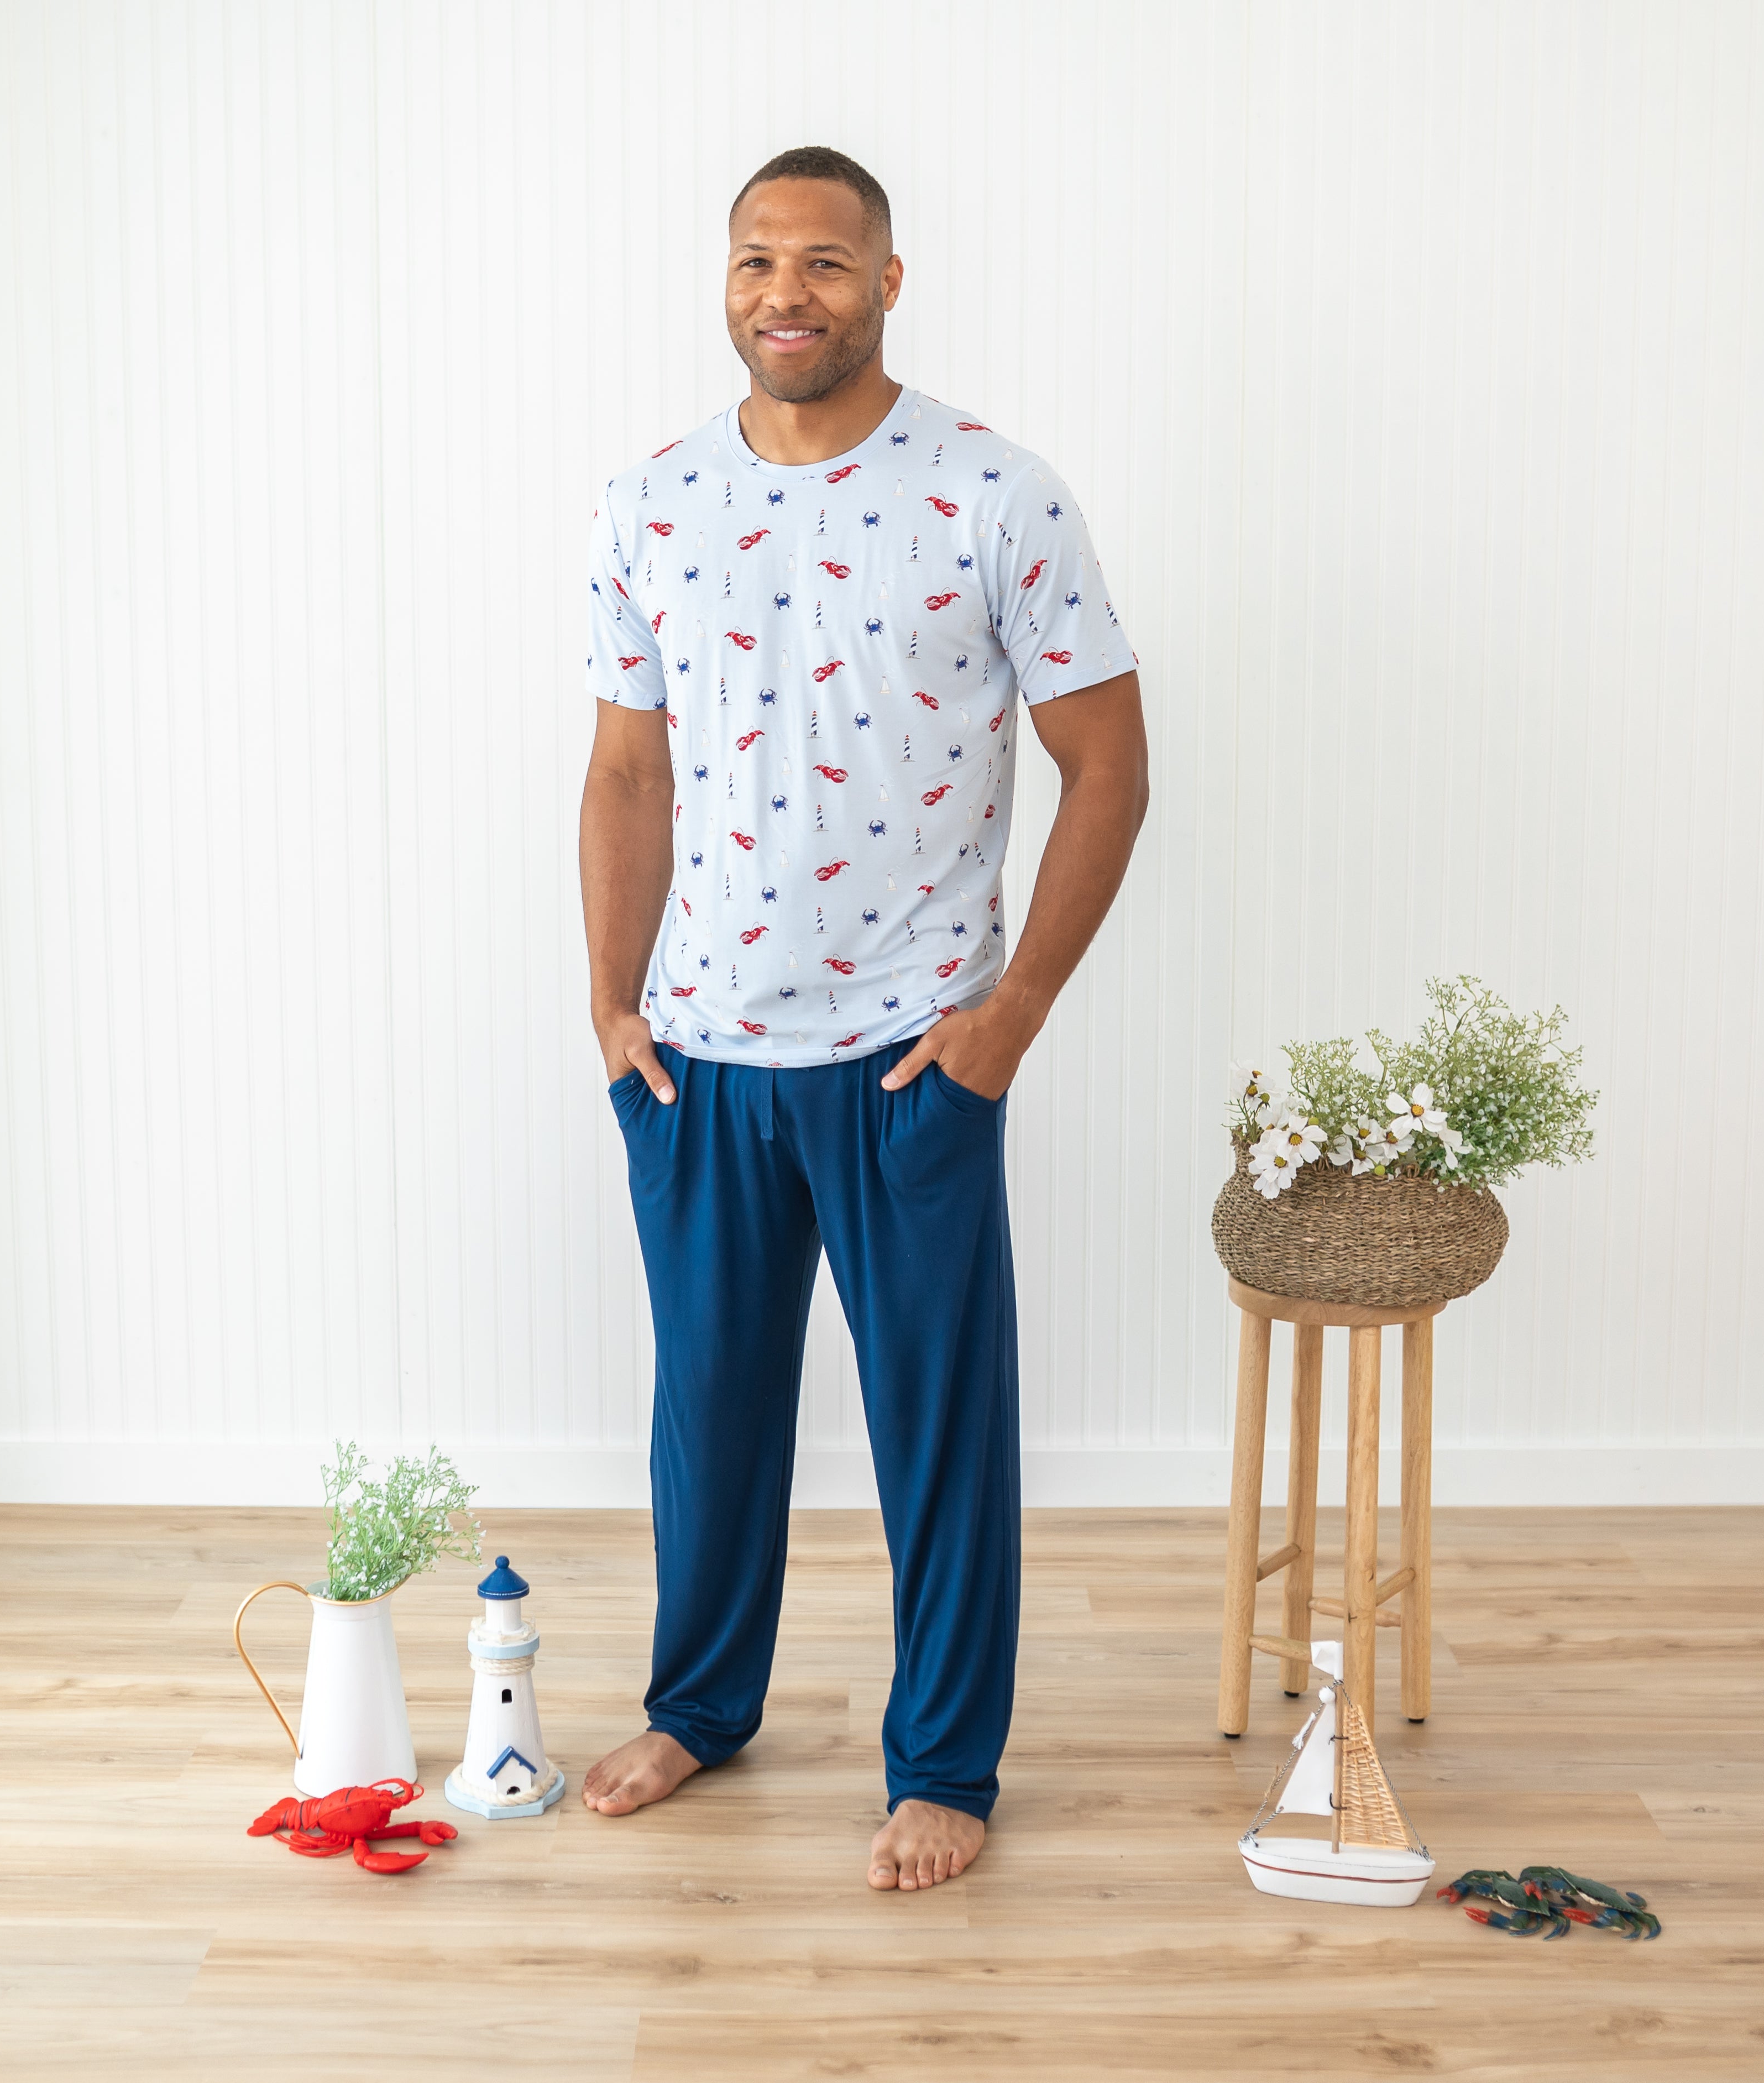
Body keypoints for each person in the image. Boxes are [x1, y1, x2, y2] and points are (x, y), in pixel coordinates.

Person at [578, 145, 1148, 1892]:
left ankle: (947, 1766)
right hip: (699, 1057)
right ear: (724, 282)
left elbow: (1108, 767)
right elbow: (623, 774)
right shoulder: (651, 502)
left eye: (824, 261)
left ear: (888, 283)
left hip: (913, 1054)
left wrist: (1012, 1018)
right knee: (712, 1414)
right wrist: (612, 1012)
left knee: (939, 1422)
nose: (786, 292)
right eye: (756, 260)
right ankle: (702, 1705)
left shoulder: (998, 494)